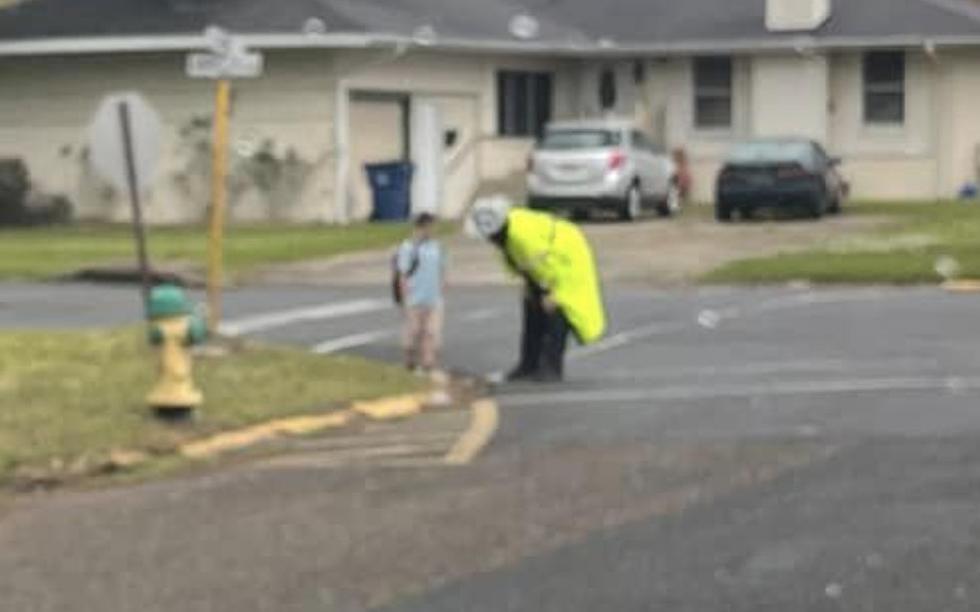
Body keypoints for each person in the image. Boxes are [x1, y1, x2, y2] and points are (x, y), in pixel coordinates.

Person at [467, 196, 606, 382]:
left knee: (557, 312)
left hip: (565, 258)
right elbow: (526, 264)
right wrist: (530, 286)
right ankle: (528, 364)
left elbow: (545, 264)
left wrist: (550, 293)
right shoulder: (508, 234)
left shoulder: (521, 235)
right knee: (531, 307)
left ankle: (551, 368)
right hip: (547, 265)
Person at [396, 212, 446, 373]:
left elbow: (441, 270)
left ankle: (428, 364)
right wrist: (405, 299)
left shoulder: (436, 247)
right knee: (413, 333)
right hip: (414, 298)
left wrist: (441, 289)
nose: (432, 231)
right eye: (429, 227)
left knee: (431, 333)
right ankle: (410, 362)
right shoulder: (408, 247)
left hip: (433, 298)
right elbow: (403, 275)